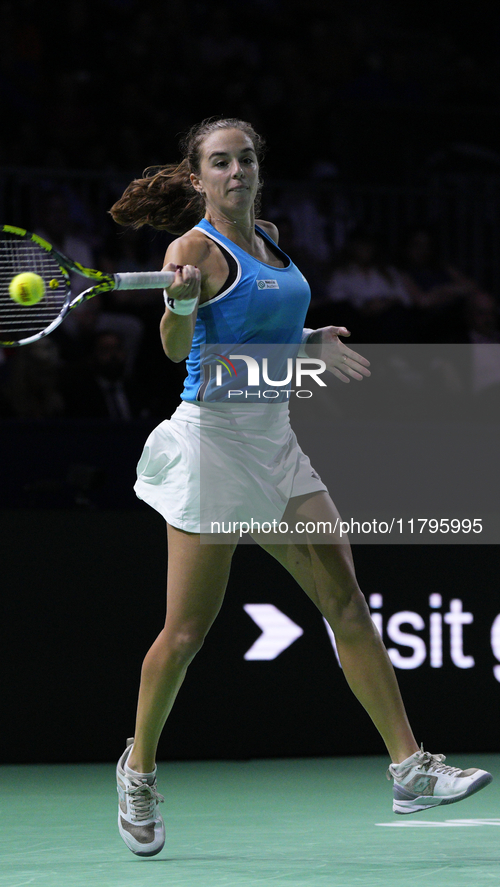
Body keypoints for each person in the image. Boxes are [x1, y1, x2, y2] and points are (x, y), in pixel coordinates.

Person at [108, 118, 492, 858]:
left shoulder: (270, 237)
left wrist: (309, 342)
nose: (236, 171)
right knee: (185, 633)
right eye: (220, 162)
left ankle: (408, 767)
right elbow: (177, 349)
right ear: (197, 177)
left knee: (345, 598)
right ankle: (139, 770)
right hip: (212, 445)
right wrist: (180, 302)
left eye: (245, 159)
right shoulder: (191, 249)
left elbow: (265, 326)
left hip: (274, 439)